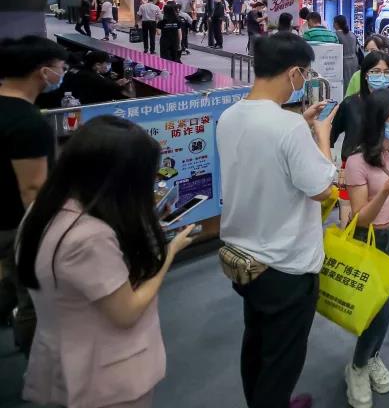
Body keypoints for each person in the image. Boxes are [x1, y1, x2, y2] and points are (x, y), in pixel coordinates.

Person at [17, 116, 195, 408]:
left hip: (65, 359)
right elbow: (127, 311)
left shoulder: (44, 209)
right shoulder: (88, 239)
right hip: (106, 377)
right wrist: (169, 252)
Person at [217, 33, 339, 408]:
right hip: (286, 265)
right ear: (293, 73)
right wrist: (322, 136)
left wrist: (301, 126)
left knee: (255, 342)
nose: (304, 81)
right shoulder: (288, 127)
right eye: (305, 73)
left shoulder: (230, 116)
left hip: (244, 260)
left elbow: (267, 156)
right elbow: (322, 189)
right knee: (282, 360)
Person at [342, 89, 389, 408]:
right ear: (377, 119)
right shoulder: (357, 161)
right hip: (371, 240)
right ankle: (358, 366)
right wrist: (384, 192)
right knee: (375, 307)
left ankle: (371, 356)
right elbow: (359, 218)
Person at [0, 36, 67, 354]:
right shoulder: (28, 123)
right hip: (16, 225)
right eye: (61, 68)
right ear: (43, 72)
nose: (62, 74)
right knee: (34, 298)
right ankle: (38, 362)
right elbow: (33, 190)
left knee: (8, 280)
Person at [36, 50, 130, 108]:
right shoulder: (94, 78)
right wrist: (120, 85)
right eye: (107, 63)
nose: (109, 65)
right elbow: (123, 94)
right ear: (97, 65)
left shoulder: (76, 68)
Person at [335, 15, 360, 85]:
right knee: (354, 81)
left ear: (336, 24)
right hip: (355, 60)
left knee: (345, 82)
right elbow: (357, 48)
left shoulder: (336, 35)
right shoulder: (352, 34)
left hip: (343, 62)